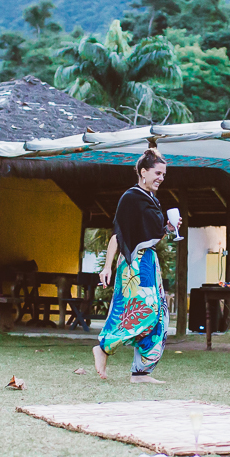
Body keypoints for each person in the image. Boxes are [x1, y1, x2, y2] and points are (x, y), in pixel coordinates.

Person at [91, 149, 179, 382]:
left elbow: (152, 236)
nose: (161, 178)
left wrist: (168, 229)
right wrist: (107, 267)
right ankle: (104, 347)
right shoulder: (131, 198)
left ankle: (141, 372)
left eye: (164, 174)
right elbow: (118, 234)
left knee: (158, 316)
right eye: (157, 173)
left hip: (149, 261)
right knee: (142, 311)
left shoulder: (152, 199)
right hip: (134, 263)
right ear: (143, 172)